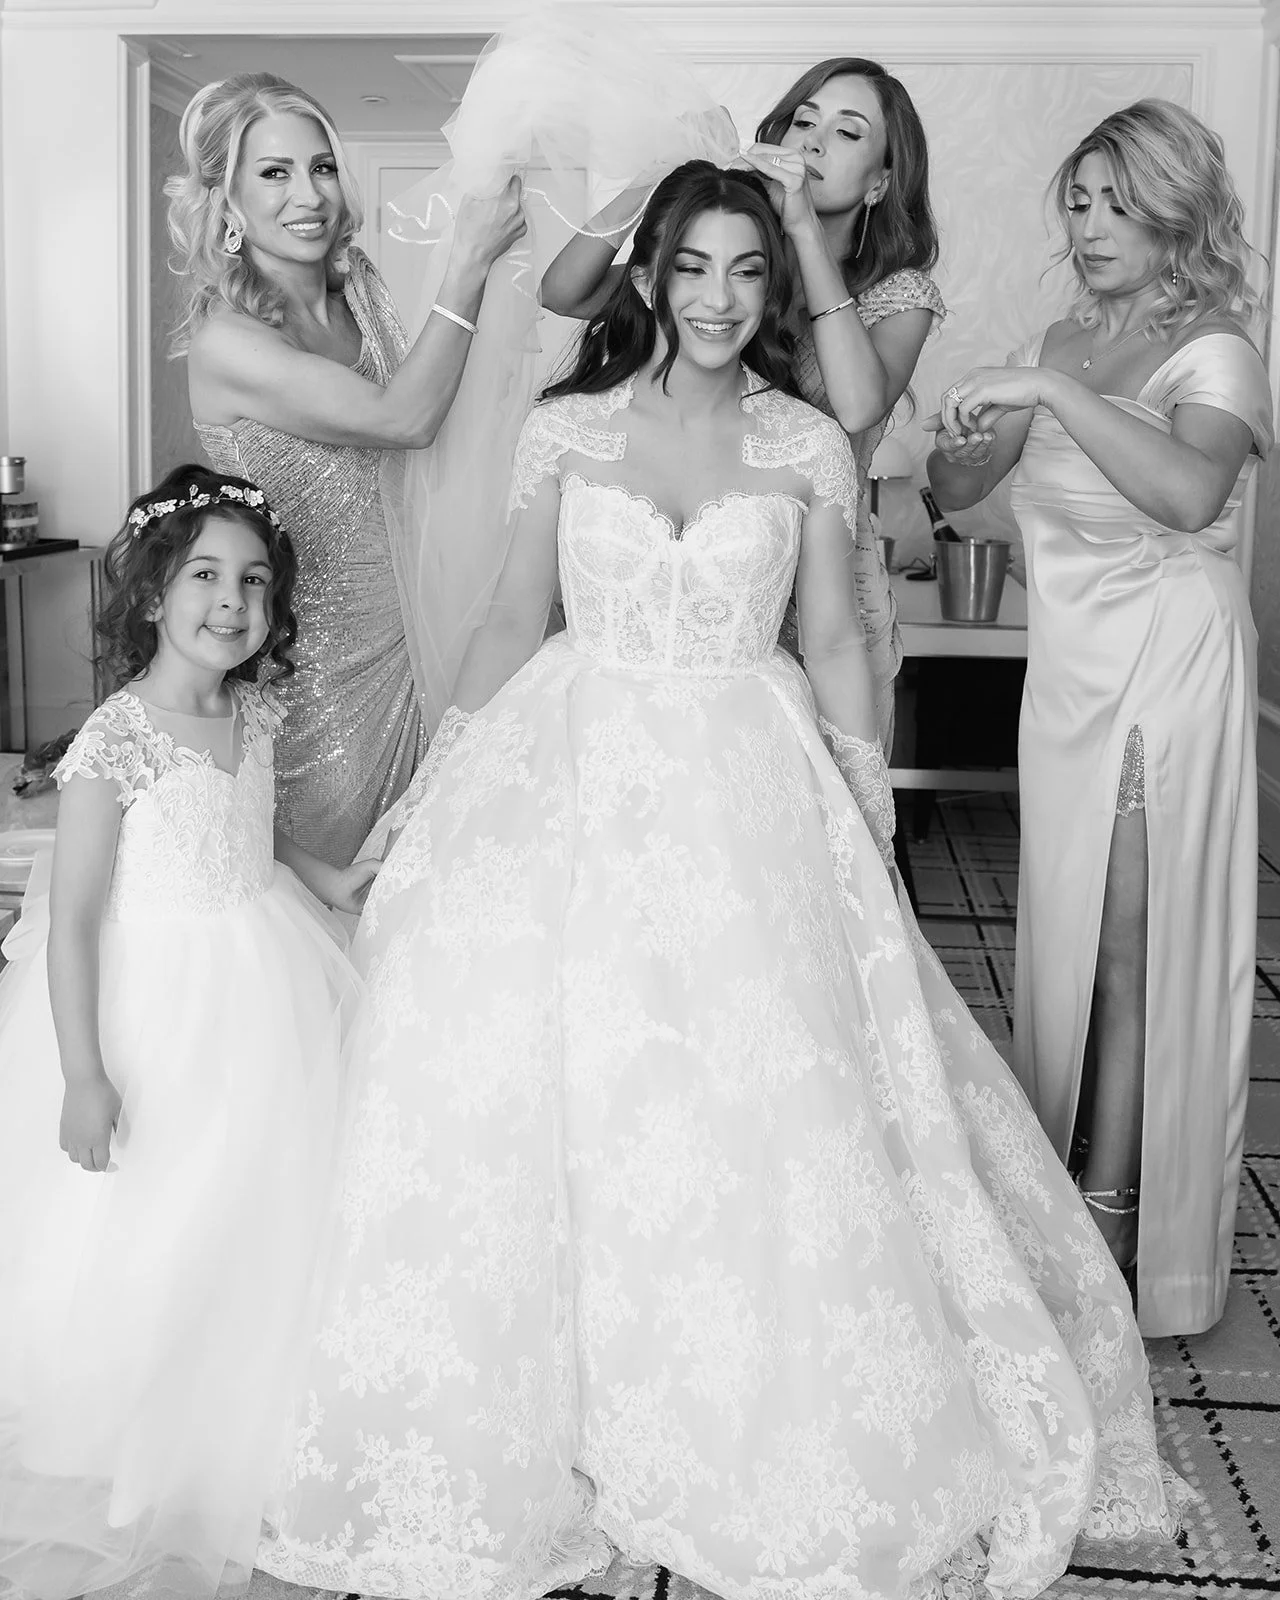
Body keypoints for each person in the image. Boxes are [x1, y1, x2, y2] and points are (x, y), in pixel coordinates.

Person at [258, 162, 1177, 1600]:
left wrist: (865, 808)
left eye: (749, 273)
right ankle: (564, 1425)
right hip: (574, 758)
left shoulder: (807, 441)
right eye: (694, 268)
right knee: (561, 1082)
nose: (719, 300)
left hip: (749, 778)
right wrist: (441, 781)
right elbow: (510, 616)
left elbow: (835, 639)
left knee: (754, 1084)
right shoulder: (565, 430)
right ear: (649, 273)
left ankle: (735, 1410)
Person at [924, 100, 1273, 1336]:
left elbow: (1185, 492)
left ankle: (1120, 1227)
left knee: (1132, 949)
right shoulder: (1060, 340)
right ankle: (1057, 1192)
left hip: (1163, 666)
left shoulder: (1216, 347)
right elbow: (959, 500)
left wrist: (1044, 392)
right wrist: (968, 436)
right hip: (1067, 674)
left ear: (1175, 211)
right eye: (1076, 200)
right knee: (1061, 933)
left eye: (1114, 202)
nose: (1087, 226)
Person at [0, 465, 377, 1599]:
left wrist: (336, 877)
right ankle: (131, 1428)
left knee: (258, 1200)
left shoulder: (249, 711)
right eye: (205, 575)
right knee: (156, 1210)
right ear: (153, 592)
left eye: (254, 581)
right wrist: (82, 1071)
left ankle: (238, 1403)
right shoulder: (117, 737)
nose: (232, 603)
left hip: (260, 970)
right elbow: (70, 921)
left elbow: (249, 838)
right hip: (156, 1001)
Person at [167, 73, 526, 864]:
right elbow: (406, 419)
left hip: (416, 634)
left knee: (431, 880)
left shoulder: (357, 287)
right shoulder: (227, 342)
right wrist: (466, 264)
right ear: (226, 203)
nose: (309, 195)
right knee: (335, 901)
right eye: (274, 173)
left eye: (321, 167)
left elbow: (445, 408)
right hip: (316, 676)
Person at [540, 57, 945, 745]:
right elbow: (564, 292)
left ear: (881, 181)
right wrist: (659, 175)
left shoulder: (900, 295)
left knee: (823, 792)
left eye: (846, 133)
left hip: (824, 590)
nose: (812, 143)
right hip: (703, 569)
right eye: (802, 121)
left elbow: (854, 408)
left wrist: (800, 227)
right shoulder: (730, 264)